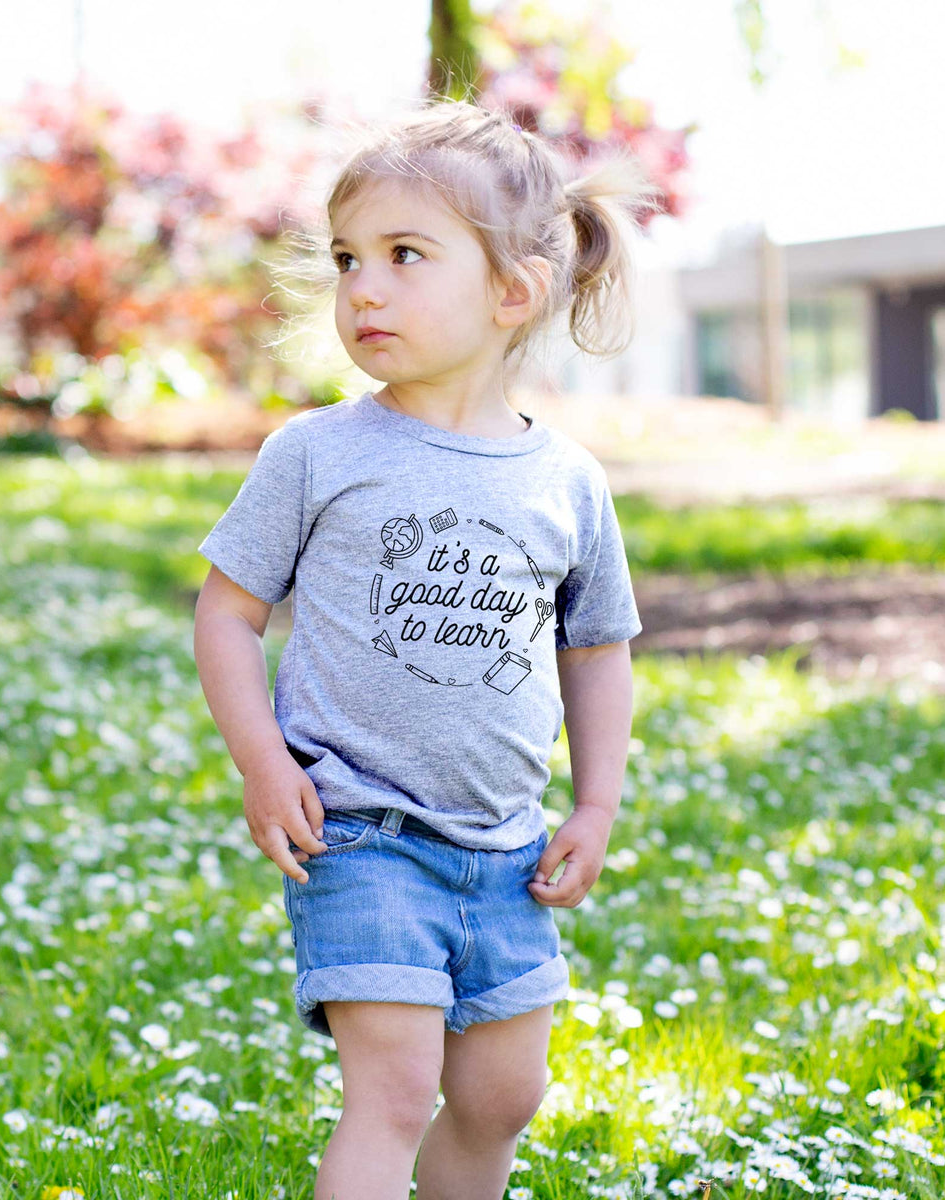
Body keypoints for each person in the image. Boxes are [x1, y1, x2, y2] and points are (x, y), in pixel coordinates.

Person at [193, 96, 659, 1200]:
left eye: (406, 255)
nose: (363, 286)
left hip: (507, 853)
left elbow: (596, 651)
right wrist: (264, 761)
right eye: (349, 257)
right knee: (394, 1092)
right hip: (359, 831)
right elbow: (227, 612)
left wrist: (595, 808)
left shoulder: (567, 482)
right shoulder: (318, 452)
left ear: (514, 290)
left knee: (502, 1100)